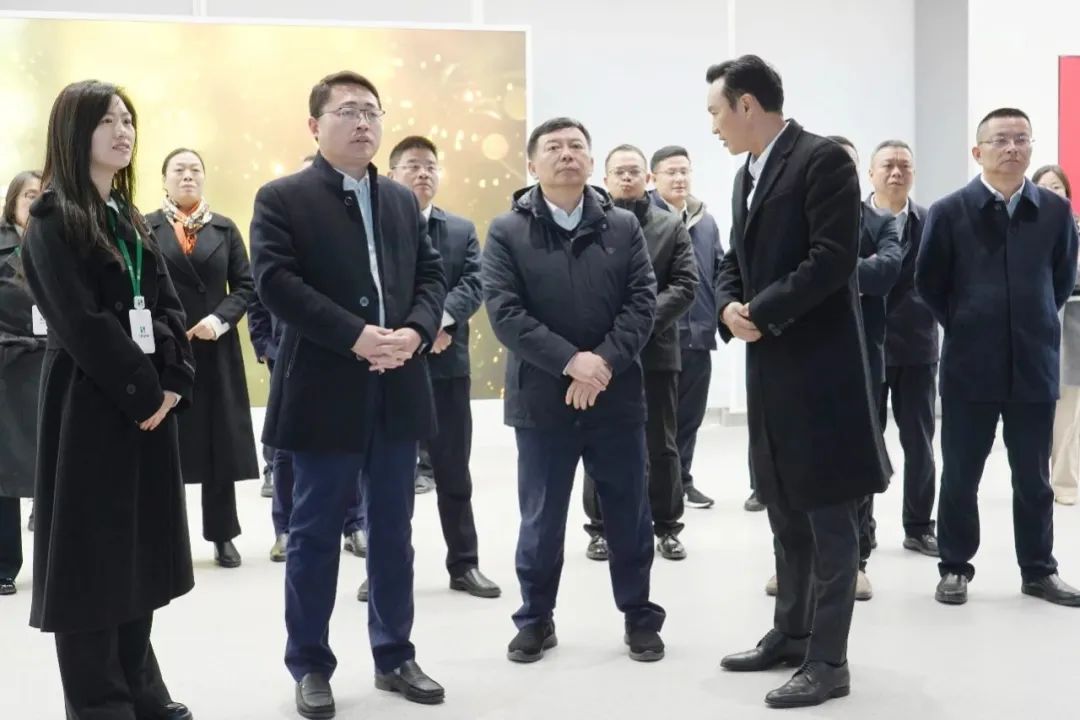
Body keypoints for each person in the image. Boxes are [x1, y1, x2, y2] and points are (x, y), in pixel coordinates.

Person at [250, 70, 447, 717]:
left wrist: (415, 332)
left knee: (393, 531)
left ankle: (395, 654)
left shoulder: (400, 200)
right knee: (313, 535)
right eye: (347, 112)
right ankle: (310, 663)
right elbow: (275, 282)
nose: (363, 122)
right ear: (315, 126)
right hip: (324, 391)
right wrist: (355, 336)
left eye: (371, 111)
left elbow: (431, 276)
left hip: (397, 388)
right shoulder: (282, 197)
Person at [707, 56, 890, 709]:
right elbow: (734, 260)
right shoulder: (746, 174)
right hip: (770, 369)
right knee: (784, 509)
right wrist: (727, 307)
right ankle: (791, 633)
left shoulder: (821, 160)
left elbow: (833, 259)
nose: (713, 126)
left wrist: (760, 310)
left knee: (830, 521)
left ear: (747, 105)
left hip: (821, 373)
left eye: (716, 112)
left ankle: (829, 661)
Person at [21, 80, 195, 720]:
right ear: (75, 131)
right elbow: (82, 323)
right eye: (107, 121)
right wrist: (145, 391)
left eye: (128, 119)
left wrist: (175, 379)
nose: (124, 131)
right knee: (92, 563)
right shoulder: (51, 219)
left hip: (147, 409)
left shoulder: (127, 215)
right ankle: (99, 700)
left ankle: (139, 685)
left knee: (137, 555)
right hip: (90, 409)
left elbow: (168, 304)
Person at [483, 117, 666, 665]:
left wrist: (601, 364)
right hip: (542, 401)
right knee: (541, 518)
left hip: (616, 395)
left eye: (576, 147)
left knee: (629, 513)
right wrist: (571, 362)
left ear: (590, 160)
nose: (567, 155)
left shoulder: (623, 226)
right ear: (531, 163)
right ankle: (535, 619)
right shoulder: (506, 230)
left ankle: (639, 617)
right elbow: (505, 313)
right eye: (554, 147)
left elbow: (642, 303)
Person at [917, 109, 1080, 607]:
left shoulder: (1055, 212)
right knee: (961, 475)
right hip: (970, 365)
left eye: (1021, 139)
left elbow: (1061, 279)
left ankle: (1038, 570)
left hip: (1033, 363)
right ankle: (954, 567)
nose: (1012, 148)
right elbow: (929, 282)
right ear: (978, 151)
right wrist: (968, 321)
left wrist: (1034, 319)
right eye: (1001, 140)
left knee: (1033, 478)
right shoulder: (949, 211)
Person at [387, 135, 500, 597]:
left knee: (454, 472)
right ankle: (386, 569)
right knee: (392, 477)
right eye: (412, 166)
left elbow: (475, 282)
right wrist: (418, 329)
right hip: (392, 366)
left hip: (447, 363)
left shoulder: (459, 228)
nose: (423, 173)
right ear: (391, 174)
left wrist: (438, 323)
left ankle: (464, 565)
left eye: (430, 166)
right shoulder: (377, 227)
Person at [247, 155, 366, 565]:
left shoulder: (344, 235)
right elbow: (259, 299)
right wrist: (265, 348)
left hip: (344, 354)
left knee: (349, 445)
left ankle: (354, 524)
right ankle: (284, 529)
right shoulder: (278, 224)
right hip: (289, 358)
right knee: (285, 451)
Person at [582, 144, 698, 562]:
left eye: (634, 171)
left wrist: (637, 325)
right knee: (601, 440)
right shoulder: (590, 225)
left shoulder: (670, 226)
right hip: (603, 355)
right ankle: (600, 528)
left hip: (656, 352)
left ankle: (666, 526)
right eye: (619, 172)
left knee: (661, 443)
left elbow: (685, 285)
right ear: (606, 179)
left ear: (648, 178)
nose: (627, 178)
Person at [146, 148, 259, 569]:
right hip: (164, 349)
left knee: (218, 445)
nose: (188, 176)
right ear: (165, 179)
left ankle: (223, 534)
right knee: (165, 444)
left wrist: (219, 319)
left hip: (214, 348)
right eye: (179, 169)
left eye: (195, 169)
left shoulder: (225, 228)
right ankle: (164, 537)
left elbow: (246, 286)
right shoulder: (145, 227)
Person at [872, 140, 939, 556]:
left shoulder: (930, 221)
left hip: (917, 346)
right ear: (871, 173)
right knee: (864, 442)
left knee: (920, 443)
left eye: (904, 166)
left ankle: (918, 526)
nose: (896, 172)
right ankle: (862, 528)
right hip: (867, 346)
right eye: (888, 165)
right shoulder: (852, 219)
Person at [649, 146, 724, 510]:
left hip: (700, 336)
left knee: (690, 418)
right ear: (653, 178)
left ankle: (682, 481)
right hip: (662, 337)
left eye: (684, 171)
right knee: (658, 420)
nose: (679, 178)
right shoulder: (645, 220)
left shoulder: (705, 221)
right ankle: (654, 487)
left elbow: (720, 270)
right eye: (671, 172)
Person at [0, 170, 43, 597]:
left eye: (43, 194)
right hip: (8, 366)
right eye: (30, 194)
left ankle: (55, 562)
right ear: (13, 202)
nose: (36, 201)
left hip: (54, 361)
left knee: (55, 466)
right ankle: (4, 564)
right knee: (6, 471)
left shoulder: (62, 243)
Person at [1033, 164, 1080, 505]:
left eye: (1057, 187)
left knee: (1069, 405)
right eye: (1044, 186)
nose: (1051, 192)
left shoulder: (1076, 227)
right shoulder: (1025, 228)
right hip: (1036, 321)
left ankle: (1064, 481)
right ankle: (1035, 477)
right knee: (1038, 408)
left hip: (1074, 317)